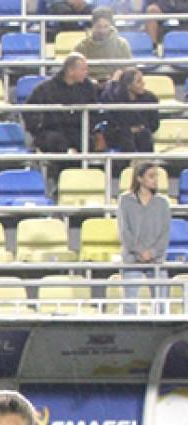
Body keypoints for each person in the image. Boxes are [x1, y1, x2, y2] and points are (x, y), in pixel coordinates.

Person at [118, 159, 172, 312]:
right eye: (151, 176)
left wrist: (152, 253)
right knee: (130, 305)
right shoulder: (125, 201)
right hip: (132, 259)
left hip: (156, 260)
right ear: (140, 178)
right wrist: (139, 252)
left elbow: (165, 234)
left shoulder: (163, 203)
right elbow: (124, 231)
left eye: (156, 176)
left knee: (161, 305)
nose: (155, 180)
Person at [26, 53, 99, 154]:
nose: (86, 73)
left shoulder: (89, 88)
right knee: (56, 142)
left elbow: (94, 112)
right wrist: (38, 130)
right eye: (83, 70)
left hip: (77, 131)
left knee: (89, 142)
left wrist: (87, 127)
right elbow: (29, 111)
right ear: (70, 70)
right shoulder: (45, 88)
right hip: (52, 131)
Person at [99, 68, 160, 153]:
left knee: (145, 134)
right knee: (126, 135)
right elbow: (104, 99)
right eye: (139, 81)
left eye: (142, 80)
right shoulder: (116, 98)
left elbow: (154, 124)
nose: (143, 84)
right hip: (120, 137)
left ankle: (147, 163)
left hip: (142, 136)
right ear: (128, 85)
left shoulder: (150, 98)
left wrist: (141, 128)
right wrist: (113, 82)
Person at [72, 7, 130, 80]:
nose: (102, 31)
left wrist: (114, 81)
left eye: (105, 26)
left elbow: (128, 71)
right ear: (93, 25)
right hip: (87, 85)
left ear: (111, 25)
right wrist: (91, 81)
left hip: (116, 85)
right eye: (99, 27)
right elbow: (75, 71)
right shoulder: (81, 46)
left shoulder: (122, 45)